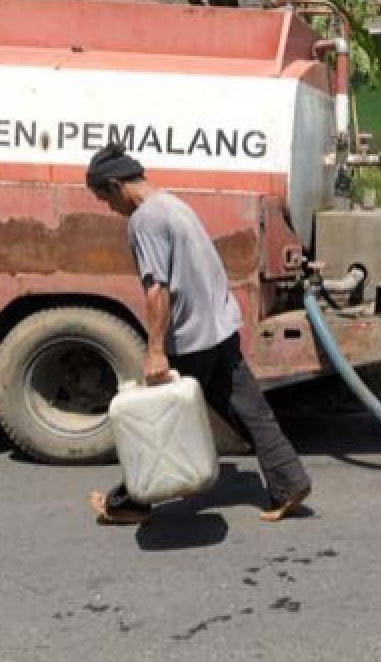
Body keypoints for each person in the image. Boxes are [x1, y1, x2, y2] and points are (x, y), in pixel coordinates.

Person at [84, 144, 312, 525]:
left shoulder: (144, 220)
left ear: (115, 186)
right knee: (251, 410)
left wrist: (155, 350)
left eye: (105, 200)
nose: (110, 209)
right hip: (220, 327)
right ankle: (289, 481)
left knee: (159, 419)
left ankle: (131, 502)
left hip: (191, 338)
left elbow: (156, 289)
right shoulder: (174, 205)